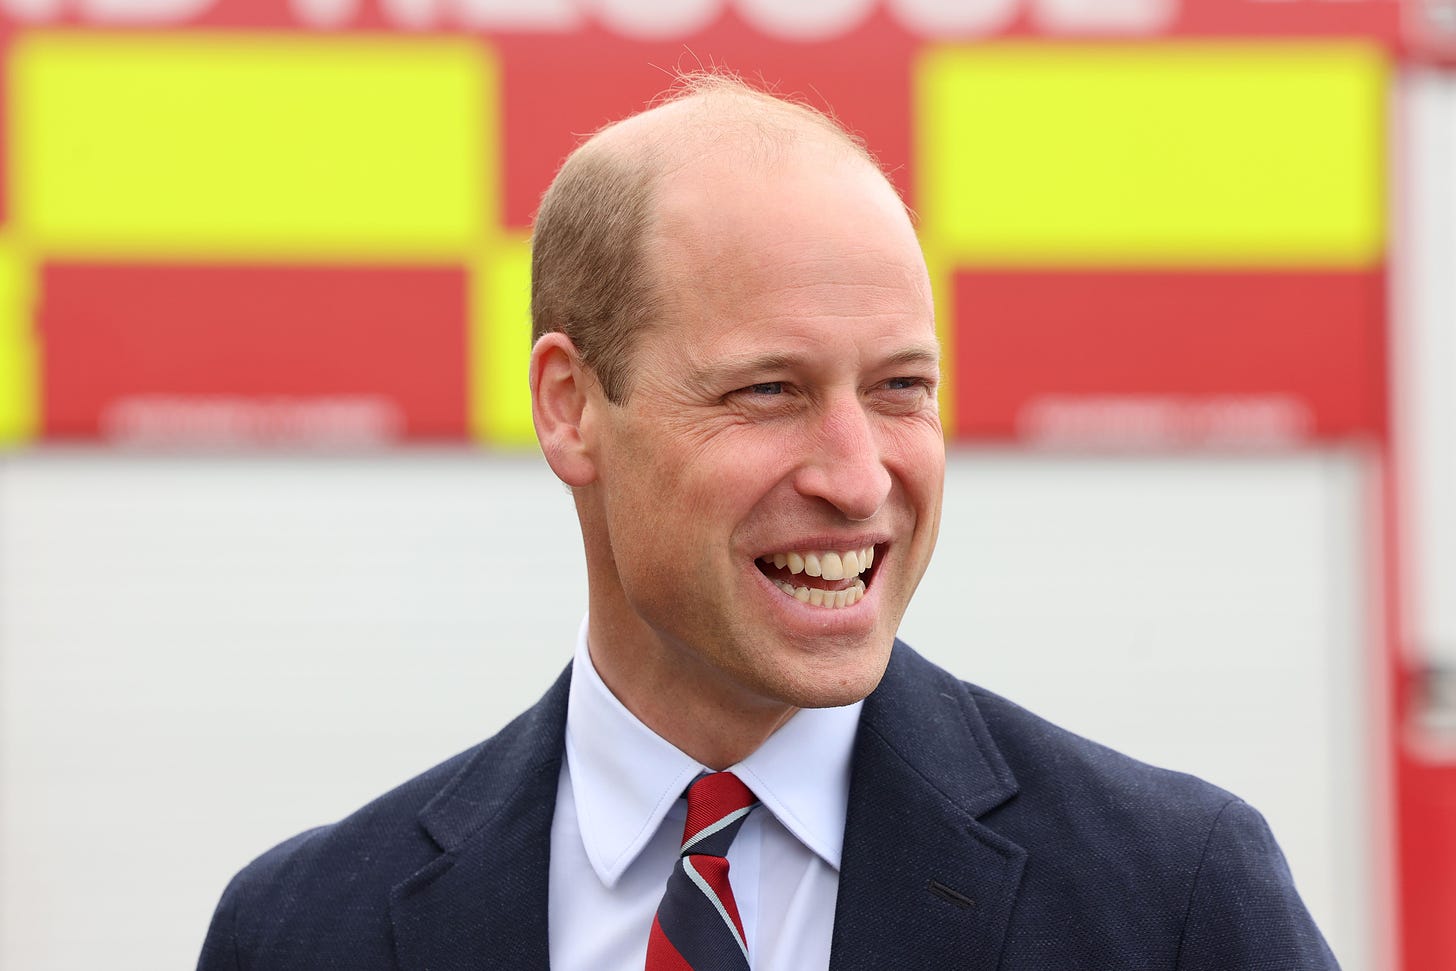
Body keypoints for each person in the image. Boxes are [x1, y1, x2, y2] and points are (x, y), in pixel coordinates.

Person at [198, 75, 1338, 970]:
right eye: (768, 390)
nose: (857, 477)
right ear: (569, 407)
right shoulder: (303, 930)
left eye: (901, 388)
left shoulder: (1172, 901)